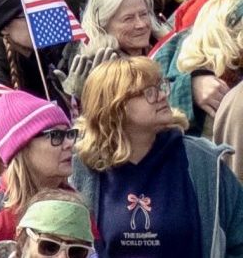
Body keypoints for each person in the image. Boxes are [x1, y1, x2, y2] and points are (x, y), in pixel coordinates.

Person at [68, 58, 243, 258]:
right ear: (114, 107)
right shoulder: (82, 170)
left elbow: (238, 241)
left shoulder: (202, 162)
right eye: (148, 92)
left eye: (160, 87)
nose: (161, 96)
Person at [0, 91, 73, 255]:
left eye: (69, 134)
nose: (69, 144)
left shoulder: (78, 205)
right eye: (56, 135)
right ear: (21, 148)